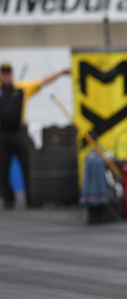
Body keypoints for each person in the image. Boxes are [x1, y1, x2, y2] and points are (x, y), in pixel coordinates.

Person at [0, 63, 69, 209]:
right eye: (4, 74)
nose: (6, 76)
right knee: (3, 168)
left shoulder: (21, 88)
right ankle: (8, 199)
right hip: (3, 134)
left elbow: (41, 81)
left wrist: (60, 73)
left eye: (8, 73)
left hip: (18, 132)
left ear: (12, 75)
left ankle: (31, 199)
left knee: (27, 166)